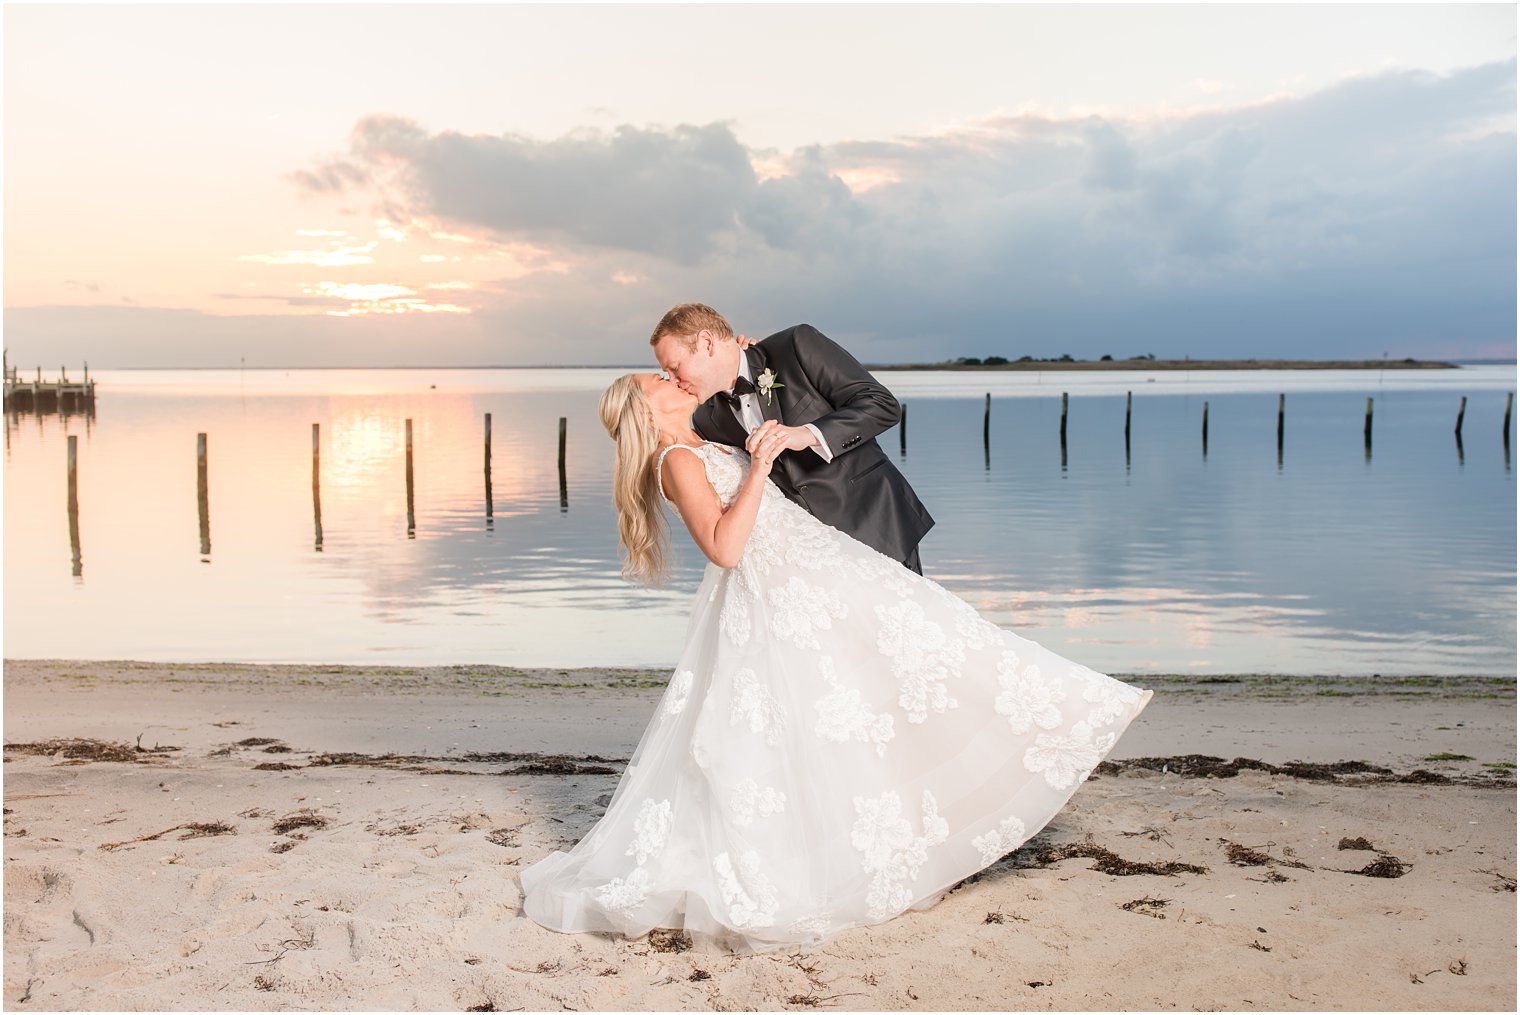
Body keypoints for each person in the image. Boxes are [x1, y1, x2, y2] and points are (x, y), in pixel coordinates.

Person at [517, 371, 1153, 953]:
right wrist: (761, 465)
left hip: (817, 576)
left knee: (917, 661)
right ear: (646, 411)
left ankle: (1055, 719)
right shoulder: (677, 458)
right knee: (812, 717)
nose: (666, 376)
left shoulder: (706, 439)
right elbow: (726, 548)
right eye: (652, 379)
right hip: (777, 592)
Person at [649, 303, 933, 574]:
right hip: (809, 561)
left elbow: (882, 404)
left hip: (877, 522)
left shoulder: (795, 346)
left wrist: (807, 434)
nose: (673, 380)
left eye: (675, 367)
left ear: (707, 344)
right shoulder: (706, 420)